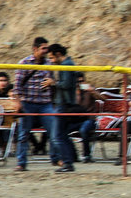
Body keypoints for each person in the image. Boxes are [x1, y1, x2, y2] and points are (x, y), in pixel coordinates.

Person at [12, 37, 62, 172]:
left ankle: (55, 158)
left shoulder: (49, 64)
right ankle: (21, 162)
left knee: (54, 131)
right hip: (28, 103)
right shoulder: (24, 63)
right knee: (23, 134)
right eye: (43, 48)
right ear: (35, 49)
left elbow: (54, 81)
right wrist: (18, 104)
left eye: (47, 48)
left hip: (45, 103)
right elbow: (16, 87)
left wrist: (52, 82)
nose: (46, 51)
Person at [47, 43, 79, 173]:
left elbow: (66, 84)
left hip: (63, 105)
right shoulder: (67, 64)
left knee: (57, 136)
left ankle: (67, 163)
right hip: (64, 104)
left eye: (52, 58)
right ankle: (68, 161)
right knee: (62, 135)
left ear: (58, 54)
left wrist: (52, 83)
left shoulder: (66, 65)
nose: (51, 61)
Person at [68, 73, 107, 163]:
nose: (79, 84)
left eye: (81, 81)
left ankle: (87, 155)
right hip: (75, 119)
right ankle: (73, 155)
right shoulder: (71, 92)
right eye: (77, 82)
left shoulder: (88, 90)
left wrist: (92, 91)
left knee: (84, 130)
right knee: (62, 131)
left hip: (89, 119)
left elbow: (103, 99)